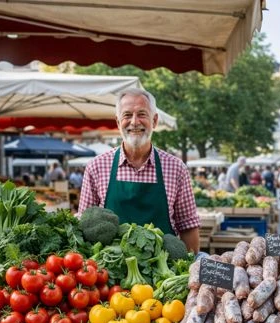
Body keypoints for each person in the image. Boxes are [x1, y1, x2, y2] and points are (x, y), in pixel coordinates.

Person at [78, 88, 200, 252]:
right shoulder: (97, 167)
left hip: (163, 274)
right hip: (111, 272)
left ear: (154, 121)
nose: (134, 122)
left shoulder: (176, 169)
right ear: (118, 122)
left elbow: (188, 226)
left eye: (142, 114)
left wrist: (188, 270)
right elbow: (84, 225)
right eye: (127, 115)